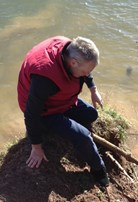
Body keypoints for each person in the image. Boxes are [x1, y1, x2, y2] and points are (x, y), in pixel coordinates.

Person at [17, 35, 109, 187]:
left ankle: (68, 124)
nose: (87, 75)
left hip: (61, 99)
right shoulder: (44, 78)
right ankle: (98, 170)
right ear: (73, 62)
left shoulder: (70, 49)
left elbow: (85, 68)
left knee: (91, 114)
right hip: (44, 112)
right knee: (84, 137)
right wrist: (36, 147)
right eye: (85, 72)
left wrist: (93, 89)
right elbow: (31, 113)